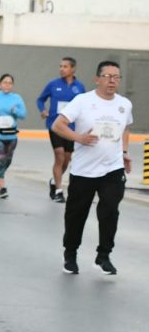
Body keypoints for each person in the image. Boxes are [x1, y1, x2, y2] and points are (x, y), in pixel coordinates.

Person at [53, 61, 132, 276]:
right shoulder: (82, 101)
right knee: (76, 214)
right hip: (84, 170)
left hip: (112, 169)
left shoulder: (124, 104)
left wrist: (124, 152)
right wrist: (79, 137)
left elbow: (125, 128)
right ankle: (70, 254)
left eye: (116, 77)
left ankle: (103, 255)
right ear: (97, 79)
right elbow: (57, 125)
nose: (112, 80)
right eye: (107, 76)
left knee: (109, 212)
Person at [37, 57, 86, 203]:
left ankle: (54, 180)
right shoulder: (53, 84)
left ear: (73, 69)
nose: (61, 69)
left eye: (65, 66)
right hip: (55, 125)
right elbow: (40, 99)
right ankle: (59, 190)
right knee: (59, 155)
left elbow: (84, 105)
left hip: (71, 128)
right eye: (60, 66)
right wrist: (43, 110)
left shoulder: (80, 87)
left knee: (66, 159)